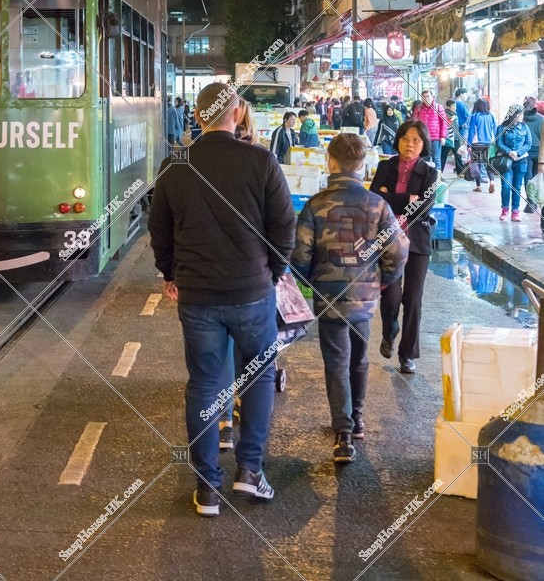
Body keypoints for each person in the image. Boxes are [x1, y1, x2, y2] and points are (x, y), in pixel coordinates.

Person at [148, 82, 296, 516]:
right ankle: (250, 471)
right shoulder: (261, 160)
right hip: (252, 293)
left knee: (205, 385)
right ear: (236, 113)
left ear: (197, 116)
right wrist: (275, 270)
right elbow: (284, 225)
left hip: (198, 298)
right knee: (258, 378)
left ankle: (207, 487)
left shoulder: (175, 166)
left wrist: (171, 273)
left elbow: (160, 231)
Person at [293, 134, 408, 463]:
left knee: (336, 362)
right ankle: (356, 421)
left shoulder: (315, 204)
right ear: (362, 165)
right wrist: (381, 280)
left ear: (330, 162)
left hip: (328, 298)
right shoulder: (377, 205)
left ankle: (342, 434)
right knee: (359, 359)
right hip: (364, 297)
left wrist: (310, 282)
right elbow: (398, 251)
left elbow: (299, 255)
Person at [369, 119, 438, 374]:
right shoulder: (385, 167)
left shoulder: (430, 173)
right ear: (398, 140)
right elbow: (376, 199)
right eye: (406, 139)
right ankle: (389, 332)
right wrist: (406, 200)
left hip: (417, 241)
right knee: (391, 296)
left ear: (423, 145)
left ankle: (407, 354)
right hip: (388, 239)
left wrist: (393, 199)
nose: (410, 144)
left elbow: (422, 208)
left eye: (416, 140)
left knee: (413, 299)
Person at [495, 104, 533, 221]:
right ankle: (505, 209)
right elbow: (498, 143)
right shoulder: (501, 128)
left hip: (521, 161)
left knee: (517, 187)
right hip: (506, 161)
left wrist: (518, 152)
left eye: (522, 114)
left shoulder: (524, 127)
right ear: (513, 115)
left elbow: (528, 143)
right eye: (519, 114)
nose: (521, 116)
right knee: (506, 186)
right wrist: (509, 151)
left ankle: (515, 211)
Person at [466, 97, 497, 193]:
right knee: (489, 164)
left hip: (477, 144)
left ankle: (478, 186)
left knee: (476, 165)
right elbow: (495, 131)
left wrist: (468, 144)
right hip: (489, 144)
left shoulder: (475, 116)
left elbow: (471, 131)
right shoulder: (491, 116)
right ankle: (491, 181)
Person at [414, 89, 447, 171]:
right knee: (424, 159)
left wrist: (443, 136)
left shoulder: (438, 107)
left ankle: (437, 179)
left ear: (432, 97)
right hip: (423, 138)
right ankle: (425, 179)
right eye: (424, 97)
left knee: (437, 160)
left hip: (435, 138)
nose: (426, 99)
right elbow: (414, 123)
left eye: (428, 96)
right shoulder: (418, 109)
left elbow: (444, 122)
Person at [522, 97, 544, 214]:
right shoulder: (542, 119)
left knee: (528, 177)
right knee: (537, 177)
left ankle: (531, 202)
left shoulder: (522, 120)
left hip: (527, 152)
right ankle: (537, 200)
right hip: (539, 153)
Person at [440, 99, 462, 174]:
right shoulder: (445, 114)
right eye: (453, 106)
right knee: (443, 155)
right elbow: (445, 125)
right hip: (448, 138)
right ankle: (440, 172)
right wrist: (451, 119)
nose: (455, 107)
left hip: (456, 138)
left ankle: (460, 172)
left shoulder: (455, 114)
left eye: (455, 106)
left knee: (458, 155)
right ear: (448, 106)